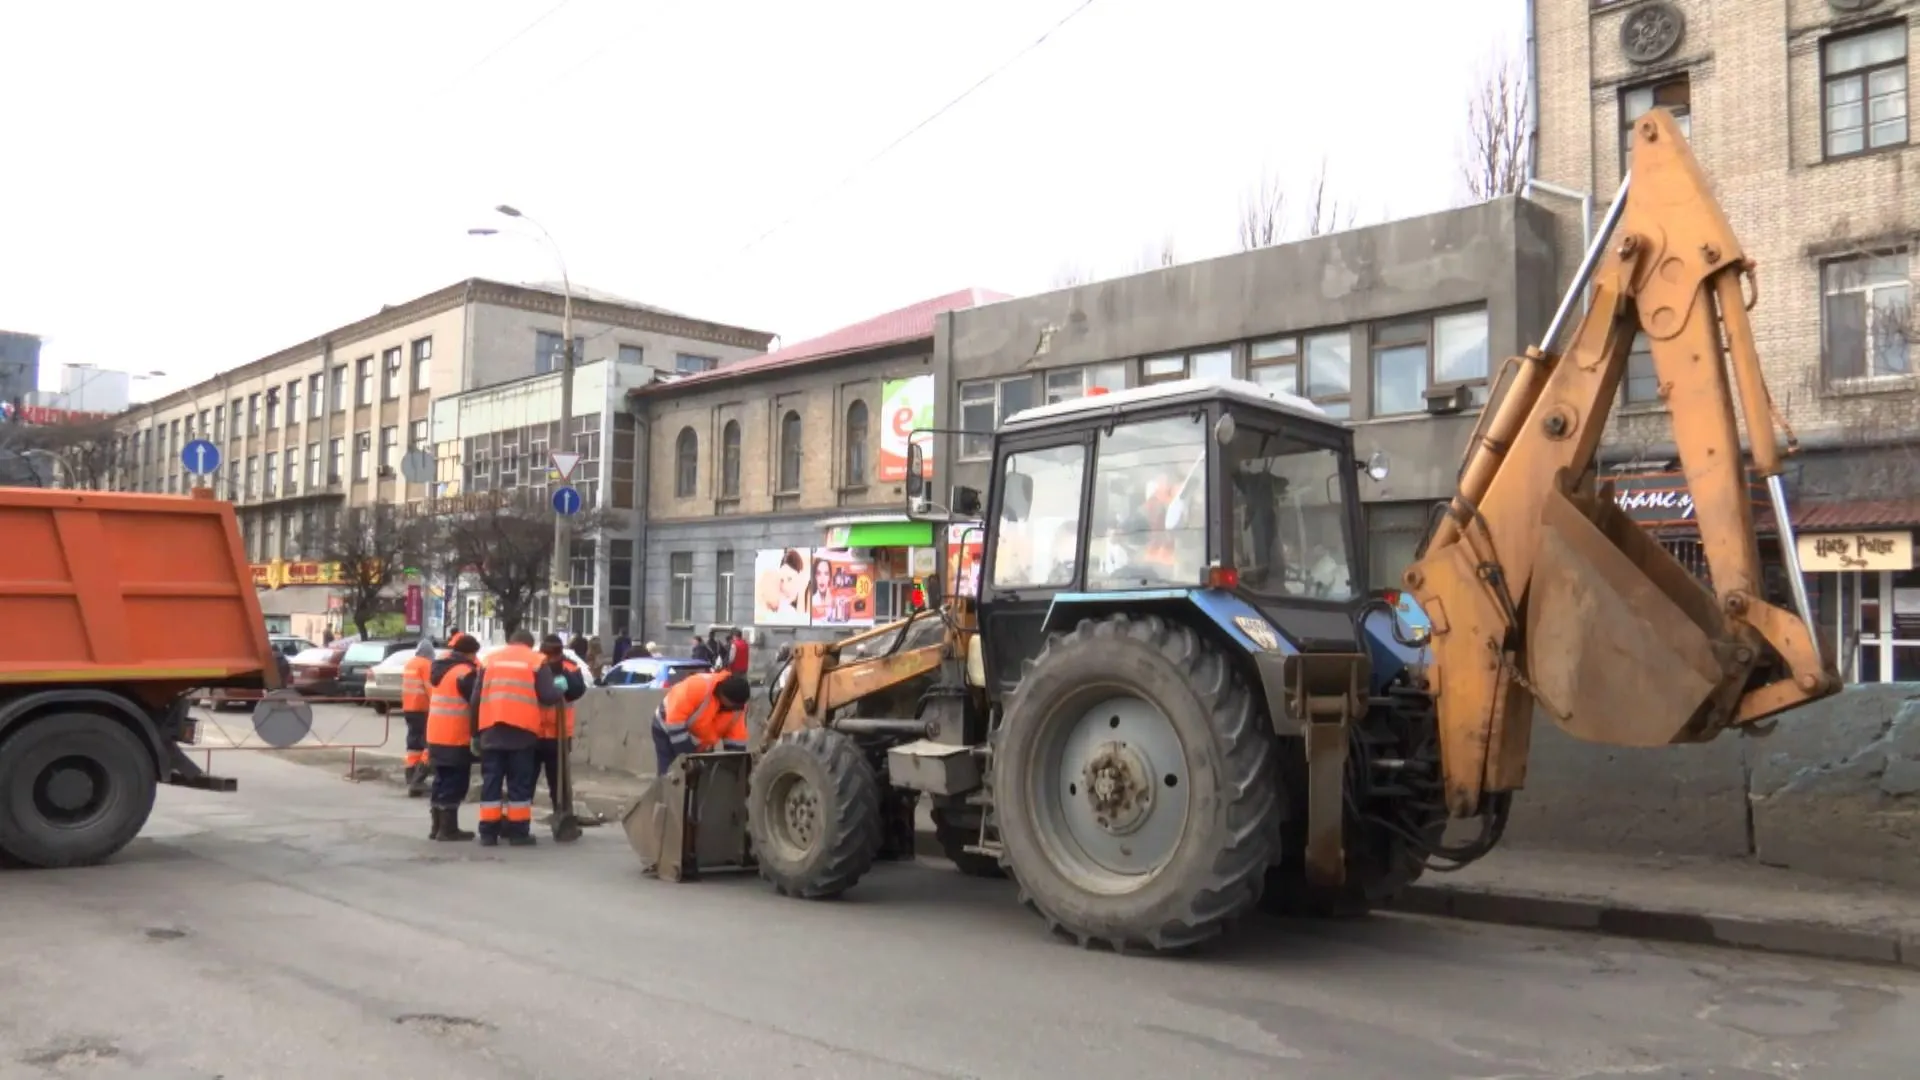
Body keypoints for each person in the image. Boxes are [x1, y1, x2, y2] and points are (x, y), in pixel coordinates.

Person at [465, 629, 564, 847]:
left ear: (510, 642)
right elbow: (547, 697)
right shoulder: (536, 661)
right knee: (519, 783)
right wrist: (560, 688)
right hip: (522, 732)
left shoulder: (489, 660)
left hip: (490, 730)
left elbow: (475, 700)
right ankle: (518, 833)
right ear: (529, 645)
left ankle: (488, 833)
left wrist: (474, 733)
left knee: (491, 782)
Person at [425, 633, 483, 842]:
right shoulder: (465, 673)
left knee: (440, 780)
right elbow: (477, 703)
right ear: (470, 653)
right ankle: (448, 829)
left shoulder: (441, 670)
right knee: (455, 782)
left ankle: (437, 826)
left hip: (435, 734)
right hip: (456, 736)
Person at [650, 671, 752, 776]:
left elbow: (736, 742)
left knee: (700, 778)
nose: (734, 709)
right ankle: (666, 789)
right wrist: (688, 757)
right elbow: (675, 722)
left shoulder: (737, 709)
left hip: (699, 742)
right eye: (732, 705)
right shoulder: (698, 687)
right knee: (671, 776)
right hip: (666, 728)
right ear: (722, 694)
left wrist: (738, 771)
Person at [537, 634, 590, 816]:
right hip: (534, 732)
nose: (550, 657)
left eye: (554, 653)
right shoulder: (535, 666)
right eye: (547, 653)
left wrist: (562, 674)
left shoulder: (570, 667)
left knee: (559, 781)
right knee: (525, 779)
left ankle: (563, 814)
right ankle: (518, 821)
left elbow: (576, 690)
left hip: (559, 733)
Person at [399, 638, 436, 798]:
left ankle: (411, 776)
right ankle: (418, 779)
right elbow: (430, 688)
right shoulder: (425, 665)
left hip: (409, 708)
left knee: (413, 744)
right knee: (428, 743)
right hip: (422, 708)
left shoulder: (410, 663)